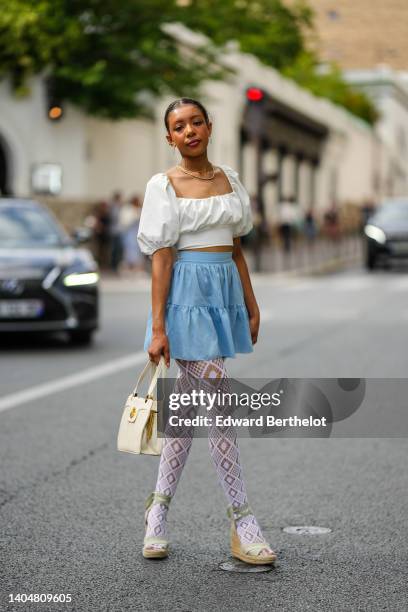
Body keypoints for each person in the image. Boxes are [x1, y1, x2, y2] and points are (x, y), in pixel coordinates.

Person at [136, 97, 277, 565]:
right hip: (187, 297)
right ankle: (243, 520)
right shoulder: (163, 185)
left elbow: (236, 250)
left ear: (210, 126)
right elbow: (161, 258)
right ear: (169, 137)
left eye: (196, 121)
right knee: (218, 400)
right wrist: (158, 327)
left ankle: (157, 514)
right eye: (179, 126)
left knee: (186, 416)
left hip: (224, 295)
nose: (190, 131)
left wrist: (252, 306)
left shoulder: (230, 179)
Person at [119, 194, 144, 271]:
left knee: (138, 252)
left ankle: (137, 268)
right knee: (129, 251)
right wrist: (134, 216)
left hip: (138, 234)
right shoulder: (127, 209)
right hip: (129, 233)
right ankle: (127, 268)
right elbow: (124, 222)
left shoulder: (140, 209)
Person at [108, 190, 124, 273]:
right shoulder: (114, 207)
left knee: (118, 249)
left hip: (119, 230)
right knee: (115, 249)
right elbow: (115, 218)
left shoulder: (119, 207)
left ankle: (116, 264)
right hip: (115, 231)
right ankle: (114, 265)